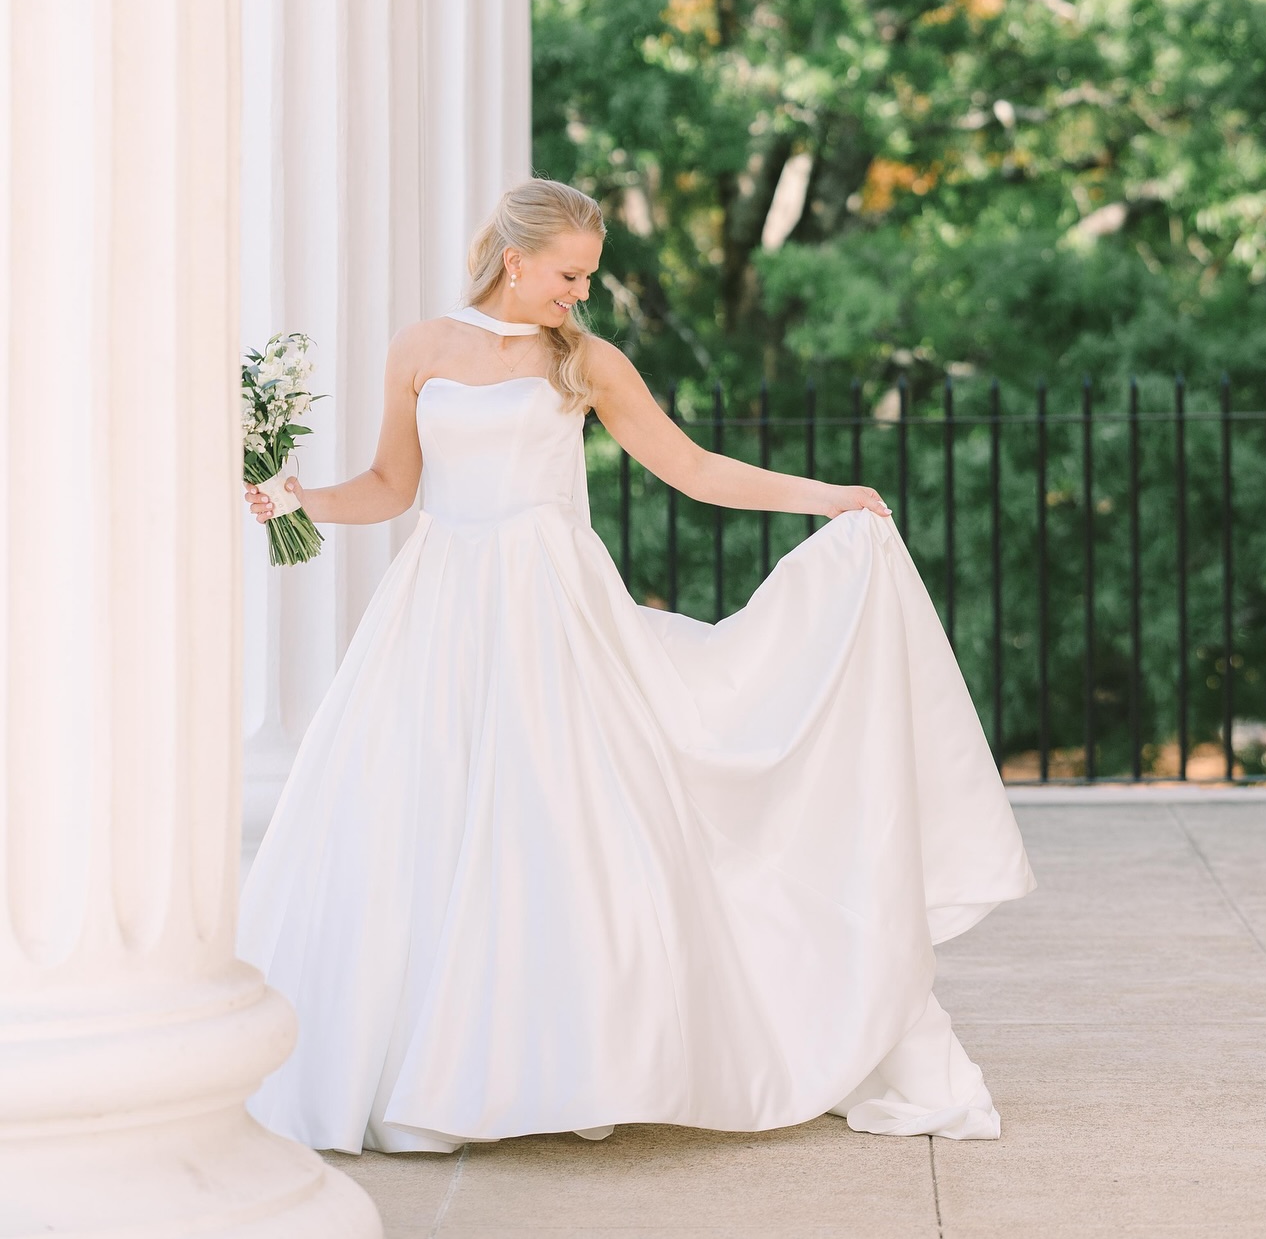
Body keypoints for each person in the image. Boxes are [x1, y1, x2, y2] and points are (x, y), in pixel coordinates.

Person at [238, 177, 1035, 1155]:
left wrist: (825, 495)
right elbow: (391, 486)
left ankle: (579, 1059)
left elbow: (691, 466)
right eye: (570, 274)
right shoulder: (422, 348)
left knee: (568, 818)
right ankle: (432, 1067)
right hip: (439, 608)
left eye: (589, 277)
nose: (581, 292)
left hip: (554, 611)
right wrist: (294, 498)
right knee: (427, 814)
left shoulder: (584, 359)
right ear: (516, 257)